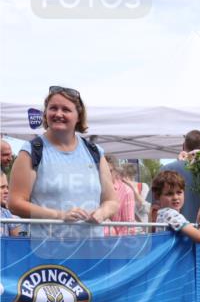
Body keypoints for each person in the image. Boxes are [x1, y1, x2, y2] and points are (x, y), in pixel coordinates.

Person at [7, 86, 118, 237]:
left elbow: (111, 201)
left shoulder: (95, 152)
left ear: (78, 116)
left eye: (66, 109)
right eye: (53, 108)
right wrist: (60, 216)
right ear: (45, 113)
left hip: (92, 252)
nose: (58, 114)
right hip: (48, 253)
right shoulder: (32, 151)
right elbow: (15, 204)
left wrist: (102, 213)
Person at [151, 170, 200, 243]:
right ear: (157, 197)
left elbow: (191, 234)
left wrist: (199, 219)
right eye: (169, 194)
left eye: (179, 192)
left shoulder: (163, 213)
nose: (175, 197)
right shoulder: (170, 214)